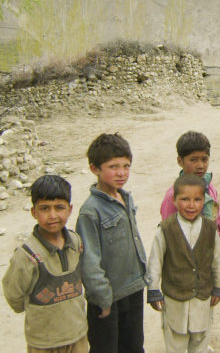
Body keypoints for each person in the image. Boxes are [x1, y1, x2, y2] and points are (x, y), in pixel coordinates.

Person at [76, 133, 149, 353]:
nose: (121, 173)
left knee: (134, 345)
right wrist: (102, 297)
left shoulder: (125, 198)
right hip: (108, 299)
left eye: (126, 166)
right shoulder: (90, 211)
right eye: (113, 166)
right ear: (94, 169)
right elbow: (89, 260)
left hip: (133, 287)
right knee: (106, 347)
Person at [2, 175, 88, 353]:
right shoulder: (27, 255)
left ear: (70, 209)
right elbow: (14, 296)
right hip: (43, 342)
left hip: (77, 334)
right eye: (44, 208)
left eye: (59, 207)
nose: (53, 215)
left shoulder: (75, 242)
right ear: (33, 212)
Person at [147, 174, 220, 352]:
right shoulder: (166, 229)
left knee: (200, 339)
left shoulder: (209, 228)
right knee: (175, 340)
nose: (191, 205)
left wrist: (219, 287)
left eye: (197, 199)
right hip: (175, 299)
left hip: (202, 299)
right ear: (174, 200)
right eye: (185, 199)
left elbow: (218, 261)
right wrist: (153, 290)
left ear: (204, 201)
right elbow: (155, 261)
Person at [160, 130, 220, 244]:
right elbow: (168, 229)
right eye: (193, 160)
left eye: (204, 159)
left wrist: (219, 235)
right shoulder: (173, 195)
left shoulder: (210, 188)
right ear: (180, 161)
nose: (200, 166)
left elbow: (216, 216)